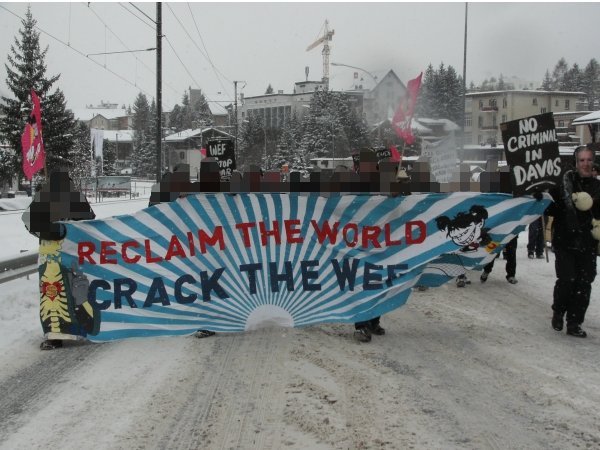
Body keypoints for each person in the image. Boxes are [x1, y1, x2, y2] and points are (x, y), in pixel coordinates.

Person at [547, 144, 600, 338]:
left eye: (588, 160)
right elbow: (549, 209)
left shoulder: (597, 186)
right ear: (575, 163)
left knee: (584, 282)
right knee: (567, 279)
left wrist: (593, 204)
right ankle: (559, 310)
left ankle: (575, 322)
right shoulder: (564, 184)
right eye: (581, 160)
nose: (585, 164)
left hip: (587, 243)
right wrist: (542, 197)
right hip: (565, 240)